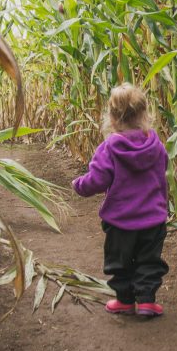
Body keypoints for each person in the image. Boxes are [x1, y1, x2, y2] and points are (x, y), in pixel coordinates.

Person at [72, 84, 169, 317]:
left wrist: (78, 185)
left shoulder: (109, 149)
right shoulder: (156, 146)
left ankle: (125, 301)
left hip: (120, 222)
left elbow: (96, 180)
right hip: (153, 220)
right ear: (145, 114)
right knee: (149, 261)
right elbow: (162, 171)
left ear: (113, 119)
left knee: (120, 262)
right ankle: (146, 301)